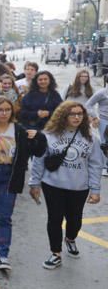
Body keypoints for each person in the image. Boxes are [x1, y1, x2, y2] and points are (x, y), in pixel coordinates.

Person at [0, 97, 47, 271]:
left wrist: (39, 137)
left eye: (7, 110)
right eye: (0, 110)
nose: (4, 113)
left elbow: (38, 151)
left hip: (8, 176)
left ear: (12, 112)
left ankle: (3, 254)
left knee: (3, 216)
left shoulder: (19, 131)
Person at [29, 100, 103, 270]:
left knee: (75, 220)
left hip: (79, 187)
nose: (77, 117)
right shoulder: (49, 134)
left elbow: (95, 164)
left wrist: (95, 190)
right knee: (54, 219)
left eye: (80, 114)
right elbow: (39, 160)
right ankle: (56, 253)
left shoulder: (91, 137)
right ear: (63, 115)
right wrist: (34, 183)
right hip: (52, 184)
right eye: (72, 114)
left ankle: (70, 238)